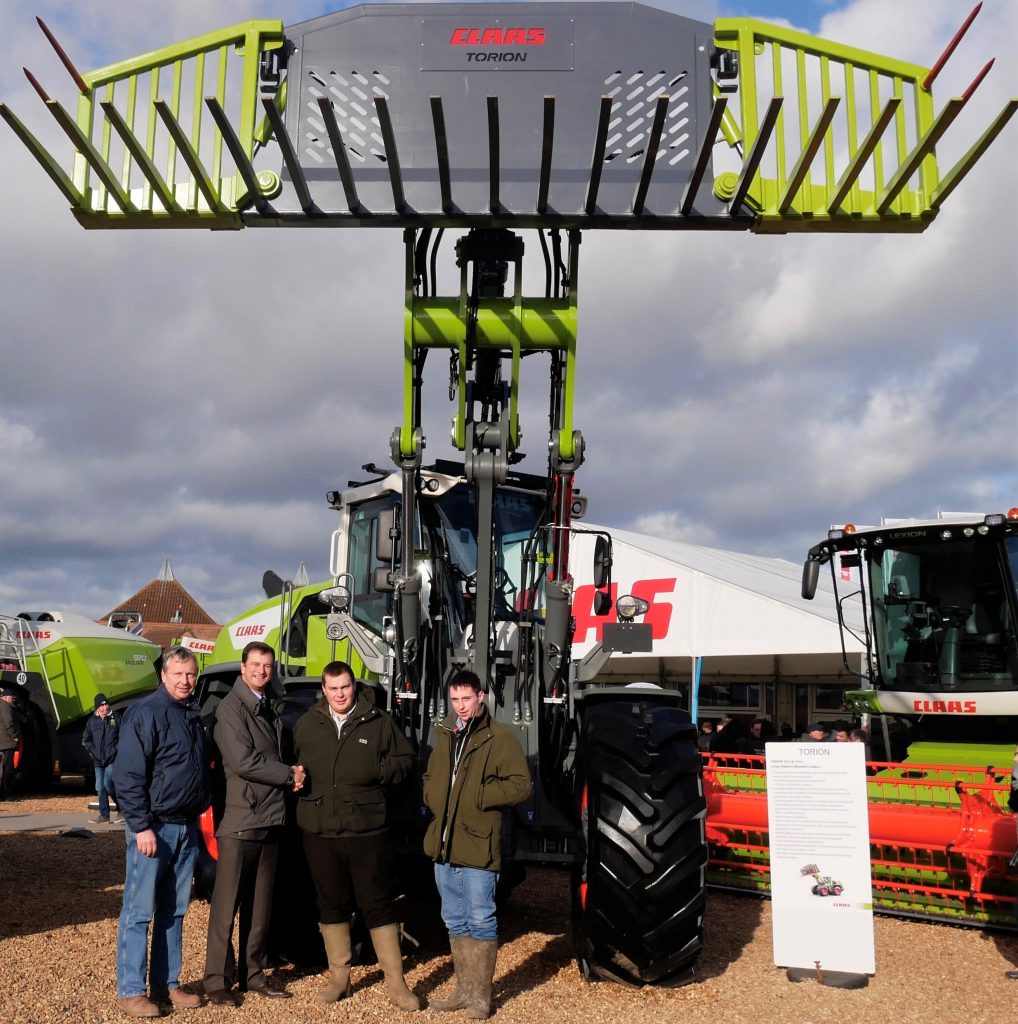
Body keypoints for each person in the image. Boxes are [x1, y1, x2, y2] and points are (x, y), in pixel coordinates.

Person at [292, 661, 418, 1010]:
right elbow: (292, 761)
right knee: (330, 904)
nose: (340, 694)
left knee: (377, 903)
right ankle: (340, 980)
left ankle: (397, 984)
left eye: (345, 687)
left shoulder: (378, 721)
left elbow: (406, 760)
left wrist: (378, 770)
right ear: (323, 690)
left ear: (354, 687)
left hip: (367, 829)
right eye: (333, 688)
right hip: (320, 829)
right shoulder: (307, 724)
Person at [202, 641, 306, 1006]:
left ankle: (253, 974)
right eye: (256, 664)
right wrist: (289, 774)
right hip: (241, 819)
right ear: (243, 668)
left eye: (267, 665)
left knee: (260, 906)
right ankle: (216, 981)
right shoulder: (231, 709)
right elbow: (243, 761)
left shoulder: (268, 706)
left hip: (270, 817)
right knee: (226, 905)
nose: (262, 671)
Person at [424, 669, 531, 1020]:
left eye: (466, 698)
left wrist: (479, 796)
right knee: (454, 919)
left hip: (479, 843)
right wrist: (432, 794)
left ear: (481, 697)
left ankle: (481, 998)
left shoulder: (499, 738)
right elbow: (431, 776)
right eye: (455, 699)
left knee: (481, 918)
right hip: (444, 842)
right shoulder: (444, 734)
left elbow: (521, 785)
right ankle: (463, 991)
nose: (460, 706)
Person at [113, 646, 209, 1018]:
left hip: (186, 826)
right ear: (164, 675)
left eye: (191, 674)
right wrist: (140, 826)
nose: (186, 681)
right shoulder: (146, 713)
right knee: (139, 911)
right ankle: (132, 990)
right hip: (154, 828)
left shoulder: (192, 715)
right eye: (179, 674)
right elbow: (127, 776)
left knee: (175, 910)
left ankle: (167, 983)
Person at [82, 693, 121, 824]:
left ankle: (122, 809)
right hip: (98, 761)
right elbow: (86, 740)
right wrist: (93, 753)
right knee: (99, 787)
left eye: (106, 704)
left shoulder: (116, 717)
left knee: (108, 784)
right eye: (102, 705)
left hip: (112, 759)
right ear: (97, 707)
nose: (105, 707)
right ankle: (104, 816)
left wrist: (116, 750)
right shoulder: (92, 721)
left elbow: (124, 736)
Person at [0, 689, 19, 800]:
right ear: (6, 698)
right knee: (8, 768)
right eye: (12, 699)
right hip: (6, 742)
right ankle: (6, 794)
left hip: (2, 742)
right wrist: (15, 736)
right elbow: (9, 722)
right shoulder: (5, 706)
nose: (14, 701)